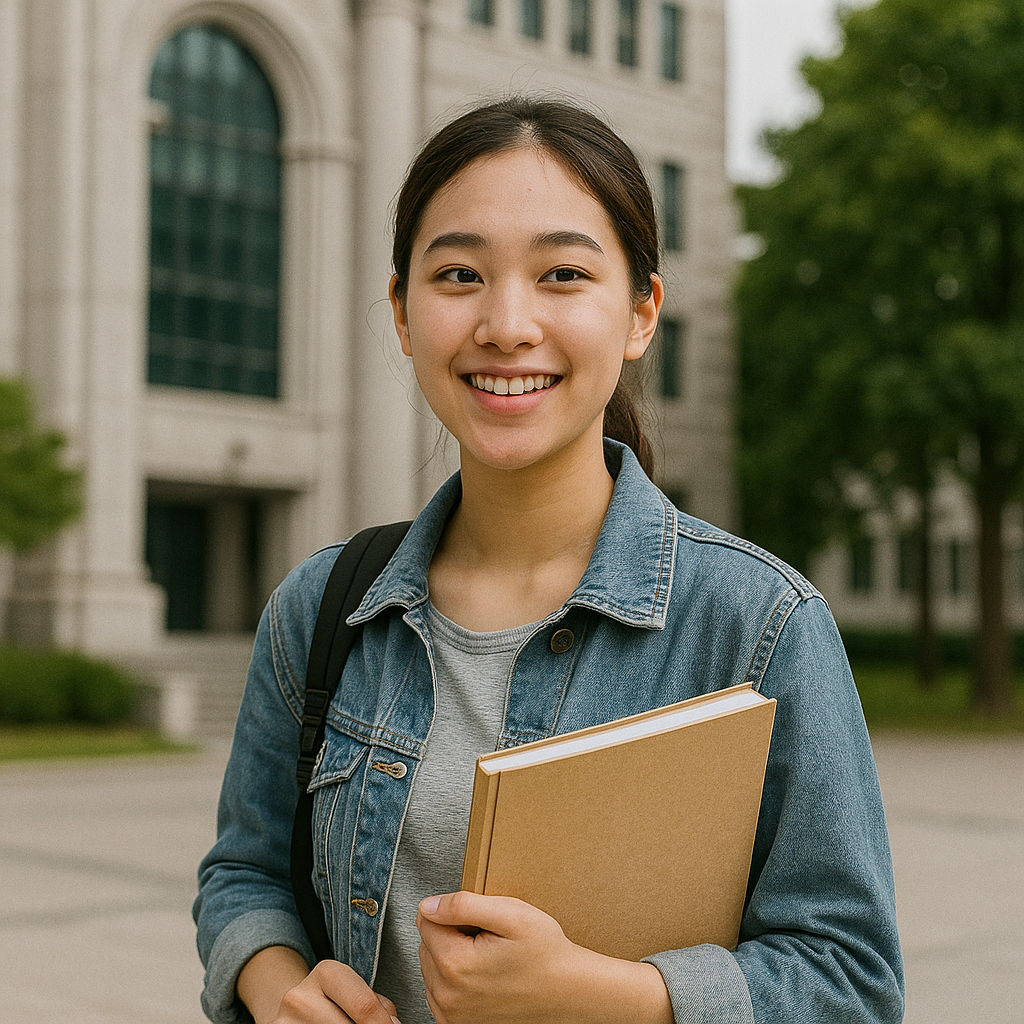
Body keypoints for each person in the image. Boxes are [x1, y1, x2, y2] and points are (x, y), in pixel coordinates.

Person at [194, 96, 905, 1024]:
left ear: (642, 312)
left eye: (563, 273)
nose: (507, 324)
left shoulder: (758, 625)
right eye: (458, 275)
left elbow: (852, 982)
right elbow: (244, 875)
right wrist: (280, 985)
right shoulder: (324, 607)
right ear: (404, 313)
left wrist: (609, 996)